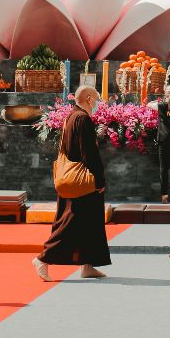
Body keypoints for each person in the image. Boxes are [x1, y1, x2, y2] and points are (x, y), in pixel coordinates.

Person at [34, 85, 110, 281]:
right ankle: (43, 258)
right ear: (89, 99)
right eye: (96, 98)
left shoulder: (71, 116)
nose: (97, 103)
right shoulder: (82, 118)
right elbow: (89, 153)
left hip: (72, 178)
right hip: (83, 181)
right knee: (71, 223)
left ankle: (88, 264)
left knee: (89, 223)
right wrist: (99, 179)